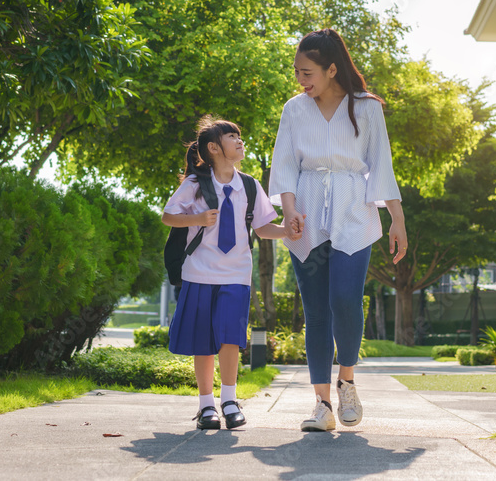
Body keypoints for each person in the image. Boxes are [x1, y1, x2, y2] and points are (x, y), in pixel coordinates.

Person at [269, 28, 408, 432]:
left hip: (354, 211)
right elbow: (285, 166)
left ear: (332, 69)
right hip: (307, 213)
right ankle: (322, 405)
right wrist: (289, 212)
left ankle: (346, 382)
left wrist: (397, 219)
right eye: (297, 71)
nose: (301, 79)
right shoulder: (294, 109)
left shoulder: (366, 108)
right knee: (315, 311)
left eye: (307, 71)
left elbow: (381, 165)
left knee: (345, 299)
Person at [162, 114, 300, 430]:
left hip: (236, 273)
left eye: (240, 136)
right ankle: (206, 405)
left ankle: (229, 400)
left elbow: (264, 227)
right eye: (232, 137)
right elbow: (169, 217)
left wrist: (286, 232)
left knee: (230, 338)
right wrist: (195, 219)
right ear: (213, 148)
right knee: (202, 340)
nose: (240, 141)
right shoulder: (195, 184)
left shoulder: (249, 186)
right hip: (198, 272)